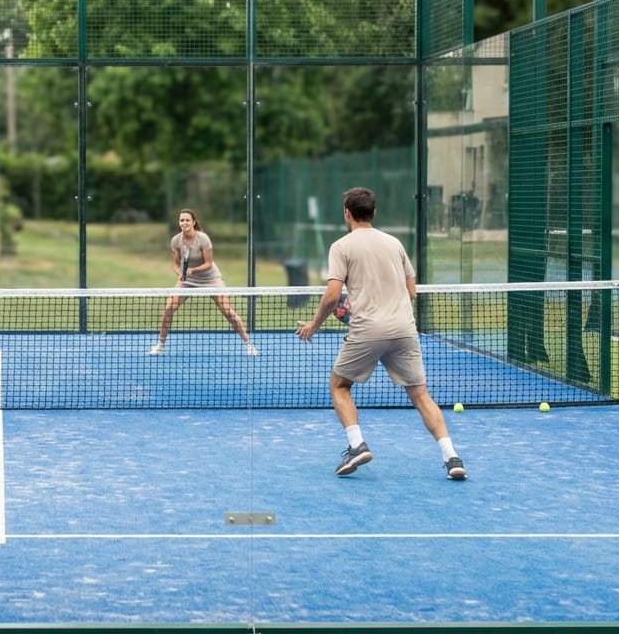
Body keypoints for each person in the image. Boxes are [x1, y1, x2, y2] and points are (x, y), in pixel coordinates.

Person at [295, 187, 466, 480]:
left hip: (368, 330)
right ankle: (452, 458)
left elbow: (332, 296)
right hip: (404, 328)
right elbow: (410, 291)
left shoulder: (341, 246)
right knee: (421, 395)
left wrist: (314, 324)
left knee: (339, 386)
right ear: (373, 213)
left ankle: (356, 445)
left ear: (347, 213)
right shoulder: (395, 244)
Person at [148, 208, 257, 356]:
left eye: (187, 220)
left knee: (227, 310)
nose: (184, 223)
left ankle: (249, 344)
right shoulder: (175, 241)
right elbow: (175, 263)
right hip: (187, 280)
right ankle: (160, 345)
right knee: (169, 307)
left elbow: (209, 263)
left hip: (211, 279)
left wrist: (192, 270)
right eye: (181, 220)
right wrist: (180, 273)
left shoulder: (203, 239)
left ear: (193, 222)